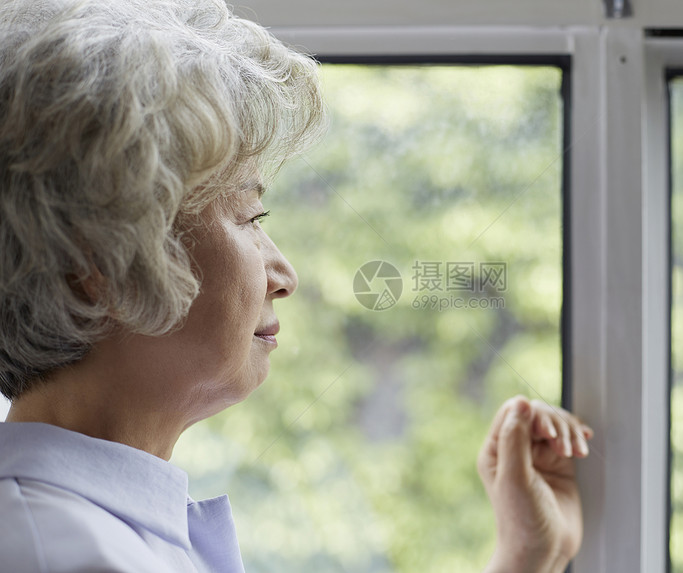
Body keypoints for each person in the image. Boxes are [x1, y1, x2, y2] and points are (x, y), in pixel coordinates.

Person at [0, 0, 594, 571]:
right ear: (98, 265)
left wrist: (527, 556)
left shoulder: (88, 531)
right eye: (250, 218)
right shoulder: (64, 554)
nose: (285, 276)